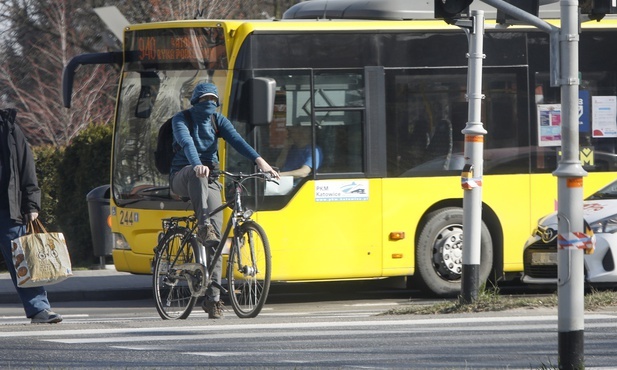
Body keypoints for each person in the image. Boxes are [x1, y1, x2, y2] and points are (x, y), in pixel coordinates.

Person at [169, 82, 279, 319]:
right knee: (195, 173)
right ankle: (203, 225)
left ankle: (213, 300)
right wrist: (197, 163)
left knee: (216, 243)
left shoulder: (218, 121)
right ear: (195, 101)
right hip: (182, 175)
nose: (208, 104)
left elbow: (238, 140)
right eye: (204, 100)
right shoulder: (181, 119)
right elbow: (187, 142)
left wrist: (261, 162)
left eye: (212, 100)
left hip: (210, 178)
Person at [0, 108, 62, 324]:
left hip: (7, 208)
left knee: (22, 261)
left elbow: (26, 166)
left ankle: (39, 309)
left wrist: (31, 204)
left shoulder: (8, 128)